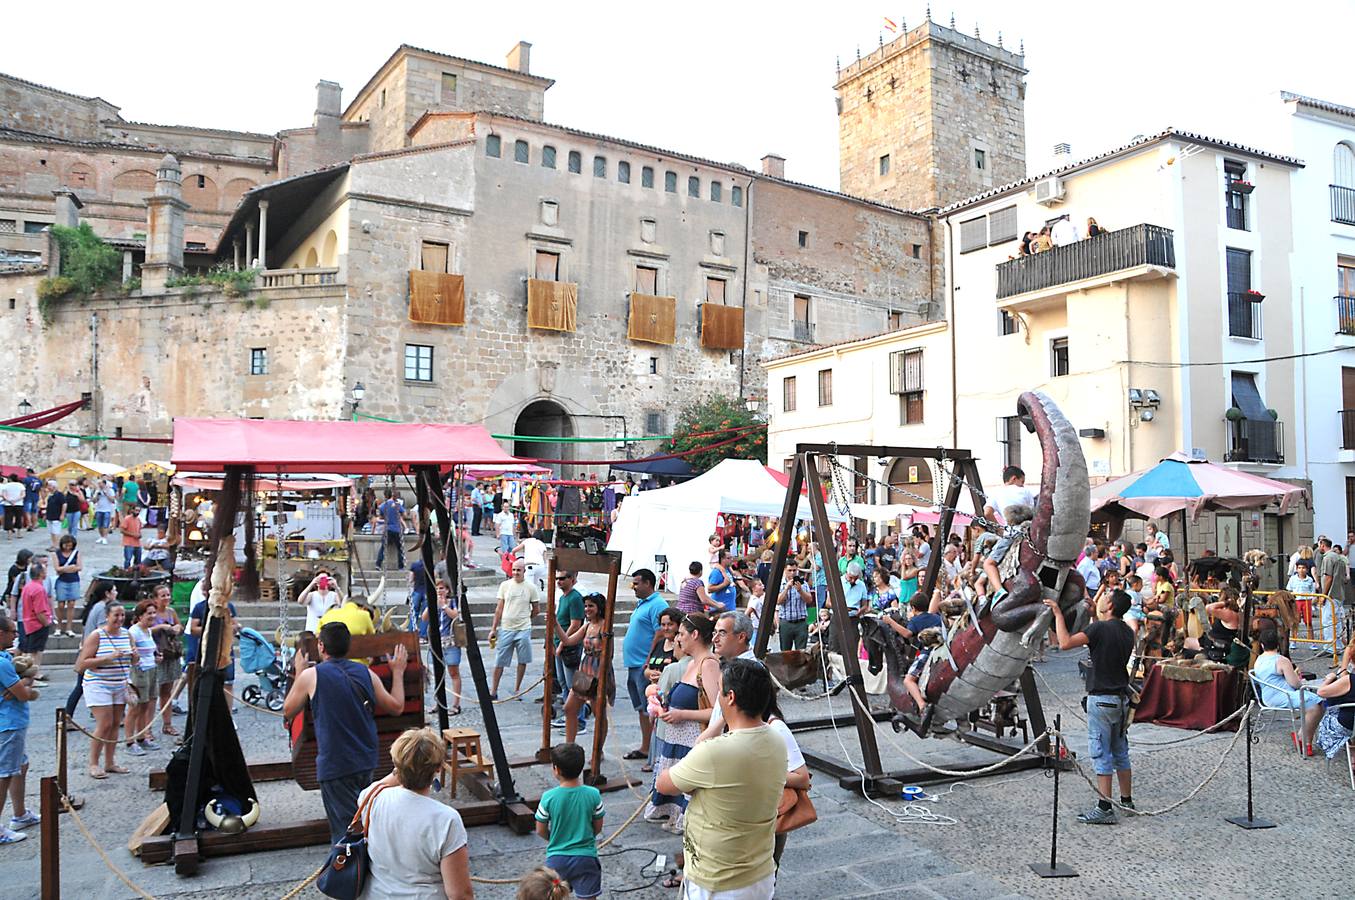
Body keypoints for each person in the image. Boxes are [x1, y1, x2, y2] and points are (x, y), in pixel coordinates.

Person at [656, 657, 786, 899]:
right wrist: (728, 718)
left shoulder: (715, 752)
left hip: (718, 879)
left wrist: (721, 720)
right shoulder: (776, 739)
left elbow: (664, 784)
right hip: (759, 869)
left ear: (731, 697)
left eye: (720, 690)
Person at [283, 621, 408, 843]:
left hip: (335, 765)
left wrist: (299, 671)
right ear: (348, 647)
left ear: (321, 646)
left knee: (345, 833)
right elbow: (397, 707)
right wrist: (397, 672)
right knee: (365, 819)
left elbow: (288, 709)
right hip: (366, 759)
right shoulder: (366, 673)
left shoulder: (311, 676)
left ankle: (350, 871)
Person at [1044, 589, 1135, 825]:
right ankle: (1126, 801)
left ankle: (1104, 807)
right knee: (1120, 752)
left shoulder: (1099, 629)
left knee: (1100, 752)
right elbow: (1104, 637)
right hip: (1120, 699)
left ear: (1111, 606)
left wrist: (1057, 614)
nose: (1102, 597)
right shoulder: (1126, 631)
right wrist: (1095, 615)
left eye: (1107, 597)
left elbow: (1065, 643)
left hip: (1101, 698)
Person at [357, 727, 472, 900]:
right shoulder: (446, 819)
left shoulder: (372, 796)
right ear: (438, 768)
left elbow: (384, 782)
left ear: (396, 764)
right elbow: (459, 894)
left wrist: (405, 764)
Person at [645, 613, 720, 829]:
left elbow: (717, 712)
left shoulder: (708, 665)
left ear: (695, 635)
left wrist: (682, 715)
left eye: (681, 634)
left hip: (692, 740)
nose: (678, 639)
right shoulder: (690, 664)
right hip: (677, 739)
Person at [535, 742, 605, 900]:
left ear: (556, 769)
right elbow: (598, 827)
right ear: (580, 768)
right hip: (586, 858)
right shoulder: (593, 794)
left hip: (556, 859)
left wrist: (553, 838)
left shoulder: (548, 797)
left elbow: (540, 829)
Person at [76, 601, 134, 778]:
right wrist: (108, 658)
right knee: (105, 723)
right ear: (107, 616)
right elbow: (81, 664)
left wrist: (135, 656)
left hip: (120, 683)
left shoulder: (126, 634)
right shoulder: (97, 635)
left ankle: (110, 762)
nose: (120, 618)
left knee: (116, 723)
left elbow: (133, 660)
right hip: (98, 683)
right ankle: (94, 763)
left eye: (122, 614)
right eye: (116, 615)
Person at [1252, 628, 1324, 755]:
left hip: (1268, 695)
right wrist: (1299, 678)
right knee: (1318, 704)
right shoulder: (1282, 661)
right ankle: (1304, 737)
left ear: (1262, 645)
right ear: (1278, 644)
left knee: (1314, 703)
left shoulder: (1259, 660)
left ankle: (1304, 737)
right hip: (1282, 694)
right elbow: (1295, 684)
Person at [0, 612, 39, 843]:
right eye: (13, 631)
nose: (16, 635)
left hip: (11, 722)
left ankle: (20, 813)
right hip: (9, 723)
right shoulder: (4, 664)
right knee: (5, 774)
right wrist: (25, 680)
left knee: (20, 766)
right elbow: (24, 694)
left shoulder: (6, 657)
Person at [621, 569, 667, 761]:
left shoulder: (657, 604)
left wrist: (649, 659)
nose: (634, 587)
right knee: (641, 708)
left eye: (637, 583)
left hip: (643, 665)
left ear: (648, 583)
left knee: (650, 708)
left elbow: (661, 633)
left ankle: (652, 750)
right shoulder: (642, 603)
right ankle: (645, 746)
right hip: (634, 664)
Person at [762, 688, 810, 872]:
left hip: (772, 812)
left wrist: (758, 775)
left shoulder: (776, 727)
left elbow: (802, 777)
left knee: (767, 869)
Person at [556, 594, 612, 746]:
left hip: (598, 671)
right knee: (569, 708)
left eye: (591, 606)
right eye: (586, 606)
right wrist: (555, 625)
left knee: (599, 714)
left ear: (599, 607)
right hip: (585, 670)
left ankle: (598, 750)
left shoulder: (605, 626)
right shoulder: (587, 625)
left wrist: (602, 679)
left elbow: (609, 655)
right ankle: (569, 745)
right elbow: (568, 641)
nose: (587, 609)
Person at [65, 580, 117, 720]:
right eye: (114, 590)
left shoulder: (97, 606)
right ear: (107, 593)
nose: (116, 593)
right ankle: (67, 715)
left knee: (86, 685)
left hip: (89, 649)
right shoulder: (102, 609)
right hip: (92, 651)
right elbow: (103, 630)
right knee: (81, 685)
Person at [488, 561, 540, 700]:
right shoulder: (505, 585)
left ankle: (517, 690)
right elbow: (499, 608)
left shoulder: (531, 587)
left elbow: (536, 609)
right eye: (514, 570)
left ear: (524, 571)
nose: (516, 572)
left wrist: (526, 618)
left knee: (522, 660)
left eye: (519, 570)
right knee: (499, 661)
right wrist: (493, 629)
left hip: (523, 628)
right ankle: (493, 691)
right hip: (506, 627)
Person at [123, 599, 162, 756]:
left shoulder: (148, 631)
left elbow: (149, 649)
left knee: (146, 705)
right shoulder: (134, 631)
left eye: (154, 613)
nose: (152, 616)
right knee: (135, 707)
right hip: (139, 671)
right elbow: (132, 652)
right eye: (149, 613)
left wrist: (157, 656)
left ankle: (141, 736)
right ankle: (129, 740)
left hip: (151, 668)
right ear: (140, 616)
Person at [549, 570, 585, 727]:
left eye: (562, 578)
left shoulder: (575, 597)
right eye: (557, 579)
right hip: (559, 643)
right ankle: (568, 715)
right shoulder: (563, 598)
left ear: (572, 579)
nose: (559, 581)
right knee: (563, 683)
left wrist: (563, 643)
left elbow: (575, 624)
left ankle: (578, 718)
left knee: (574, 685)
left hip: (569, 646)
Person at [148, 583, 182, 737]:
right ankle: (146, 728)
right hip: (156, 654)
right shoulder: (152, 613)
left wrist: (176, 628)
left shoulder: (171, 611)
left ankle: (167, 724)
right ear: (155, 599)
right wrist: (160, 627)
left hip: (170, 653)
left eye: (168, 595)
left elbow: (179, 625)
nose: (166, 598)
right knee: (153, 693)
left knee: (167, 691)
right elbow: (143, 629)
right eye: (163, 596)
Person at [1312, 663, 1355, 762]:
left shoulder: (1349, 680)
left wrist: (1329, 678)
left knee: (1328, 713)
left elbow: (1321, 692)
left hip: (1348, 724)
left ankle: (1352, 755)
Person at [18, 561, 51, 683]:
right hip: (37, 624)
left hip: (28, 622)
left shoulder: (28, 586)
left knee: (30, 650)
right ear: (41, 573)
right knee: (36, 652)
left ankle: (30, 675)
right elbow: (40, 611)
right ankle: (33, 676)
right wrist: (46, 623)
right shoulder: (39, 589)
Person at [51, 534, 81, 638]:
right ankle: (58, 627)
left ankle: (69, 627)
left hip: (74, 580)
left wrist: (65, 569)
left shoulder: (76, 553)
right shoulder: (56, 554)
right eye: (66, 545)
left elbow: (79, 567)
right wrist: (70, 568)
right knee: (60, 604)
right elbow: (57, 568)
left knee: (71, 604)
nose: (68, 547)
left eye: (70, 545)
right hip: (62, 581)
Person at [775, 569, 811, 652]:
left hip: (800, 622)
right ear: (785, 570)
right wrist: (786, 588)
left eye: (794, 570)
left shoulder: (804, 584)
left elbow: (809, 600)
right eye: (789, 570)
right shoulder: (780, 584)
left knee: (801, 652)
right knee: (785, 652)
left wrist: (800, 590)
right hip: (786, 622)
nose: (792, 573)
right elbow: (778, 601)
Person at [375, 491, 408, 572]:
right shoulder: (397, 504)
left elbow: (380, 517)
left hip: (387, 529)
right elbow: (405, 515)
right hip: (397, 529)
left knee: (383, 547)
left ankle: (378, 564)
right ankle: (401, 567)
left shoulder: (383, 506)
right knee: (399, 549)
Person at [93, 478, 117, 544]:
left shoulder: (110, 490)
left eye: (100, 483)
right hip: (98, 509)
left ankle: (105, 537)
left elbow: (113, 500)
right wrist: (97, 496)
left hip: (107, 509)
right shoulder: (97, 491)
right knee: (99, 524)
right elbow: (94, 501)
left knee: (106, 524)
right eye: (98, 484)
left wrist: (106, 494)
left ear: (104, 484)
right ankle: (101, 536)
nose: (99, 485)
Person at [43, 482, 65, 550]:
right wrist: (45, 515)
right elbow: (48, 506)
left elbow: (64, 504)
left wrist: (62, 514)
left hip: (56, 516)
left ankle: (56, 545)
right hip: (50, 516)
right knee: (51, 532)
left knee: (56, 531)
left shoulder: (59, 494)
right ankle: (53, 544)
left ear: (54, 486)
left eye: (50, 486)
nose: (48, 487)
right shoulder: (50, 495)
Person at [0, 476, 23, 541]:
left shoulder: (6, 485)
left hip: (8, 504)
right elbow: (23, 495)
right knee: (18, 517)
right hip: (18, 503)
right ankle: (19, 533)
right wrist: (16, 500)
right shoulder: (20, 485)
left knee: (8, 518)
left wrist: (10, 501)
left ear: (10, 479)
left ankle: (9, 535)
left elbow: (4, 495)